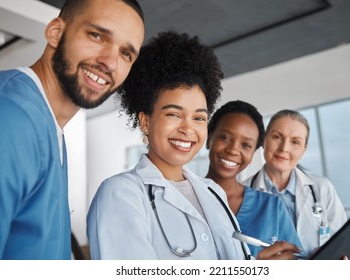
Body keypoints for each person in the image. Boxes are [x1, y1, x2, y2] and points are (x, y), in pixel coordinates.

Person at [87, 31, 298, 260]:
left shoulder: (212, 192)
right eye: (174, 114)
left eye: (199, 118)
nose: (188, 129)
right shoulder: (121, 193)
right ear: (145, 121)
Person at [0, 0, 145, 260]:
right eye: (97, 36)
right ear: (56, 32)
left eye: (126, 54)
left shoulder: (51, 128)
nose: (110, 62)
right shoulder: (8, 115)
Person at [243, 109, 350, 260]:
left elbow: (342, 244)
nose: (284, 148)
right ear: (264, 140)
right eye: (277, 137)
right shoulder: (240, 193)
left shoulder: (322, 188)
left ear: (303, 150)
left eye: (295, 142)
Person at [205, 100, 304, 258]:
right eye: (225, 138)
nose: (233, 150)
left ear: (252, 154)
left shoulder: (272, 207)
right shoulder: (183, 200)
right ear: (209, 138)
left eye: (246, 145)